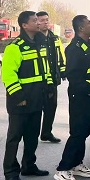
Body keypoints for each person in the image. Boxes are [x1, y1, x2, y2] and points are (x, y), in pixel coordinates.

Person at [54, 15, 90, 180]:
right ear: (81, 28)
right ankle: (63, 169)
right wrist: (89, 89)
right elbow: (73, 75)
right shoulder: (74, 49)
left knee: (85, 130)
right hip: (81, 96)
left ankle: (77, 163)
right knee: (78, 132)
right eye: (89, 24)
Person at [2, 11, 55, 180]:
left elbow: (46, 70)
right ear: (25, 25)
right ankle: (11, 172)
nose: (38, 23)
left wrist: (49, 88)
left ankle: (29, 166)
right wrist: (19, 97)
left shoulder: (41, 44)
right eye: (34, 21)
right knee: (14, 138)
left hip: (37, 100)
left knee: (32, 137)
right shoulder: (15, 47)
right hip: (20, 102)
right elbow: (8, 75)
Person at [36, 11, 66, 143]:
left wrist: (63, 71)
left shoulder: (55, 38)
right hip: (39, 81)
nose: (45, 22)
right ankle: (32, 135)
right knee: (37, 110)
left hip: (53, 79)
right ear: (37, 22)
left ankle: (46, 133)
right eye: (42, 20)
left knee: (51, 108)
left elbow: (61, 55)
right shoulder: (34, 39)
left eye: (47, 19)